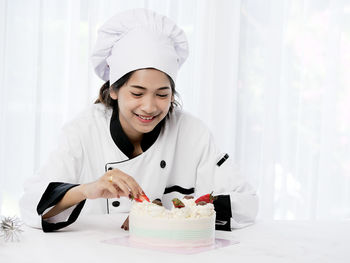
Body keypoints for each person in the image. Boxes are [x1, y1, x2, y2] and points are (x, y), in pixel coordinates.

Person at [19, 8, 258, 232]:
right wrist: (88, 190)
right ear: (113, 90)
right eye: (137, 93)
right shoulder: (84, 130)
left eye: (162, 94)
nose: (149, 106)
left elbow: (246, 203)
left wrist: (174, 213)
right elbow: (31, 204)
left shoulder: (192, 133)